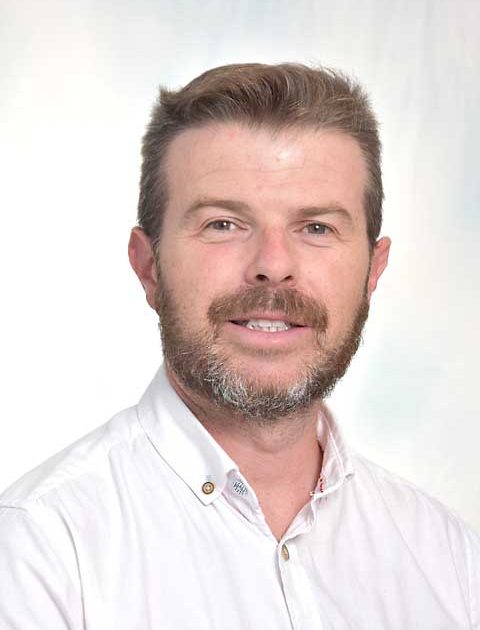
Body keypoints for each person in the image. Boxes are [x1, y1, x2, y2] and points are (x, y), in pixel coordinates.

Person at [0, 62, 478, 629]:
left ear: (373, 271)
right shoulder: (40, 552)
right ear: (149, 266)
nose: (273, 266)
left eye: (317, 228)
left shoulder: (449, 557)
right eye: (223, 224)